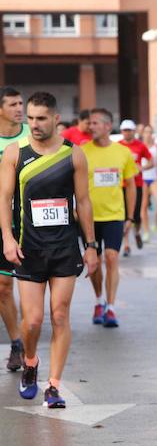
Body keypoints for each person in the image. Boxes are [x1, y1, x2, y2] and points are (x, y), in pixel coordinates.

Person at [0, 91, 99, 405]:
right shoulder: (15, 153)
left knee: (59, 315)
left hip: (63, 247)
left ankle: (54, 385)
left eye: (41, 118)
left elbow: (83, 202)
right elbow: (3, 199)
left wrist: (92, 245)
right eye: (30, 118)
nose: (34, 124)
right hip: (28, 248)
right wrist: (7, 238)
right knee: (32, 322)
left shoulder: (74, 154)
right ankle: (30, 361)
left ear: (56, 119)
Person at [82, 108, 138, 328]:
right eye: (89, 123)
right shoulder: (82, 151)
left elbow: (131, 185)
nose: (91, 127)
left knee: (112, 258)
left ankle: (111, 307)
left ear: (107, 126)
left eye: (95, 123)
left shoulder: (122, 153)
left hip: (114, 215)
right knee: (94, 263)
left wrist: (130, 217)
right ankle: (98, 301)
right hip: (89, 218)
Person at [0, 87, 29, 371]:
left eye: (21, 103)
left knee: (31, 285)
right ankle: (17, 343)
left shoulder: (31, 136)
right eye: (12, 104)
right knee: (3, 286)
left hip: (29, 221)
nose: (19, 108)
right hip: (2, 222)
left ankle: (30, 339)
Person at [119, 120, 153, 255]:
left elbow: (151, 162)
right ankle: (126, 245)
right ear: (122, 131)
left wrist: (141, 167)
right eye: (125, 130)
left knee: (136, 216)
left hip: (137, 184)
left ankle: (137, 232)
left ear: (134, 131)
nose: (127, 132)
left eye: (129, 130)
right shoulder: (118, 146)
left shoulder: (140, 146)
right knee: (124, 215)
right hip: (121, 185)